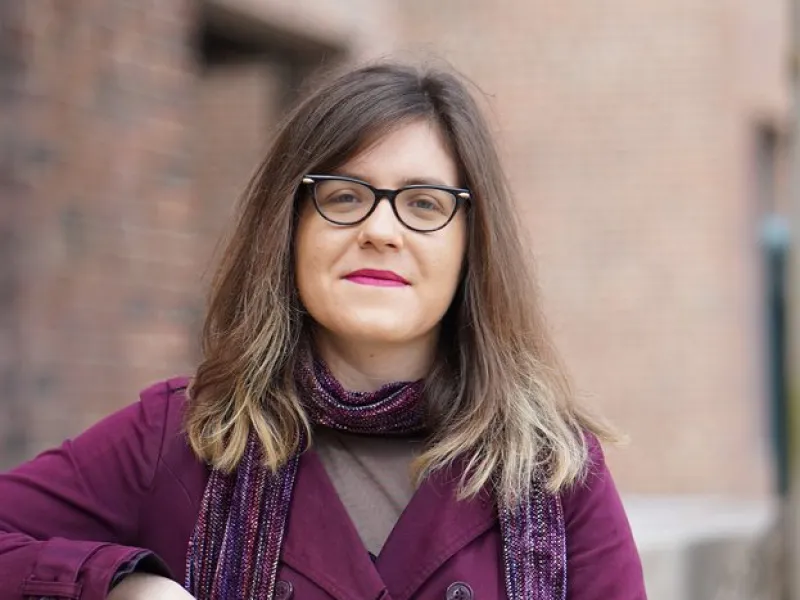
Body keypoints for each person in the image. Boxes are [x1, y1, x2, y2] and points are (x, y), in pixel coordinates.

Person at [0, 62, 647, 600]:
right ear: (290, 229)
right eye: (343, 197)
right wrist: (123, 587)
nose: (380, 230)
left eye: (424, 204)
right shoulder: (180, 436)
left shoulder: (555, 471)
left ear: (470, 247)